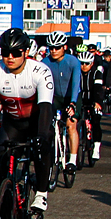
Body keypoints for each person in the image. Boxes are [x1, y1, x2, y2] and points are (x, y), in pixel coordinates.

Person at [0, 27, 55, 216]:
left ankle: (41, 193)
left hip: (36, 123)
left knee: (44, 144)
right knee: (2, 175)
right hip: (12, 125)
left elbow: (45, 107)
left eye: (16, 53)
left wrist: (42, 136)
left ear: (26, 52)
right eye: (5, 52)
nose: (10, 57)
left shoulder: (40, 71)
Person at [41, 33, 81, 168]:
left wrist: (73, 103)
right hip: (55, 97)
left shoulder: (73, 61)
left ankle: (72, 160)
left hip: (71, 97)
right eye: (51, 48)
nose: (53, 51)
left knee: (70, 125)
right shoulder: (45, 63)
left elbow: (76, 84)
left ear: (64, 47)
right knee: (47, 125)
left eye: (57, 48)